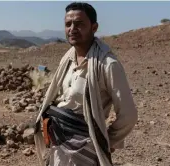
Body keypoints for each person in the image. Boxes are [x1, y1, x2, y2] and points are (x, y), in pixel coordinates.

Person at [34, 2, 138, 166]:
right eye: (68, 24)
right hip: (58, 144)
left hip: (85, 149)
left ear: (94, 27)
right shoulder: (67, 59)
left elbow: (128, 115)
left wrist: (105, 141)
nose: (72, 29)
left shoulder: (107, 64)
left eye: (79, 24)